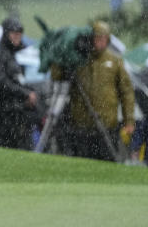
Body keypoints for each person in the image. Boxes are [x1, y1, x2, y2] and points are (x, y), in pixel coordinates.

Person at [52, 20, 135, 161]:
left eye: (104, 39)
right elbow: (57, 75)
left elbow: (127, 92)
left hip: (107, 125)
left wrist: (129, 121)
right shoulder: (78, 59)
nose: (100, 42)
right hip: (82, 126)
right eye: (97, 38)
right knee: (83, 162)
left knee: (108, 163)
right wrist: (60, 56)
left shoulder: (115, 61)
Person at [0, 17, 38, 150]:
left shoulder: (11, 54)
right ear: (6, 33)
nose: (18, 37)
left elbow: (17, 80)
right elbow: (0, 82)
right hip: (5, 112)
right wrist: (25, 94)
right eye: (14, 33)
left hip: (18, 111)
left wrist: (29, 94)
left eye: (20, 33)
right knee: (7, 148)